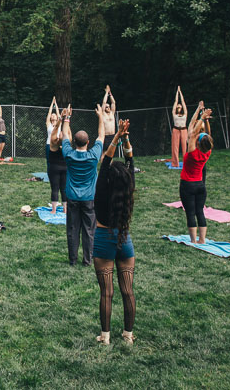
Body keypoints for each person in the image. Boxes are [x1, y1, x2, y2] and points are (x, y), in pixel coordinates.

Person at [93, 119, 136, 346]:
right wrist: (125, 138)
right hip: (124, 239)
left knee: (106, 293)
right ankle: (128, 336)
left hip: (102, 240)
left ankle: (105, 337)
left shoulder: (101, 188)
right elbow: (130, 160)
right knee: (127, 291)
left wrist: (117, 137)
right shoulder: (128, 189)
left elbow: (105, 162)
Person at [61, 103, 106, 266]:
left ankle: (72, 260)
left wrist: (67, 117)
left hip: (72, 197)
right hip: (89, 198)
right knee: (89, 230)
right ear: (88, 142)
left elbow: (64, 134)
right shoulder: (94, 156)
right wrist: (100, 116)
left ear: (75, 142)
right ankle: (87, 261)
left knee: (73, 230)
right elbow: (101, 135)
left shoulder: (68, 154)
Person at [179, 103, 213, 244]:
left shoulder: (192, 153)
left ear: (197, 143)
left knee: (190, 213)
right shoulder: (207, 152)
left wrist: (202, 117)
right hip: (200, 186)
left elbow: (192, 133)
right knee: (200, 211)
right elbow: (207, 136)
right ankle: (202, 240)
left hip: (188, 185)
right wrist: (204, 118)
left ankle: (193, 240)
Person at [47, 102, 69, 217]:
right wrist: (67, 118)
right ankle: (65, 209)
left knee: (55, 188)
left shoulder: (53, 144)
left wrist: (61, 119)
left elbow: (54, 131)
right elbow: (67, 131)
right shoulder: (66, 144)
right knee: (63, 188)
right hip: (65, 168)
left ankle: (54, 210)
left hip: (54, 169)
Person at [170, 87, 188, 168]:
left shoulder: (185, 114)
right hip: (176, 130)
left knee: (185, 147)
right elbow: (176, 101)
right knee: (175, 147)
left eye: (180, 106)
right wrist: (177, 93)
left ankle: (186, 162)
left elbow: (183, 102)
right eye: (178, 106)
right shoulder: (174, 114)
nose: (179, 105)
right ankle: (175, 163)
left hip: (184, 130)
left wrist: (181, 93)